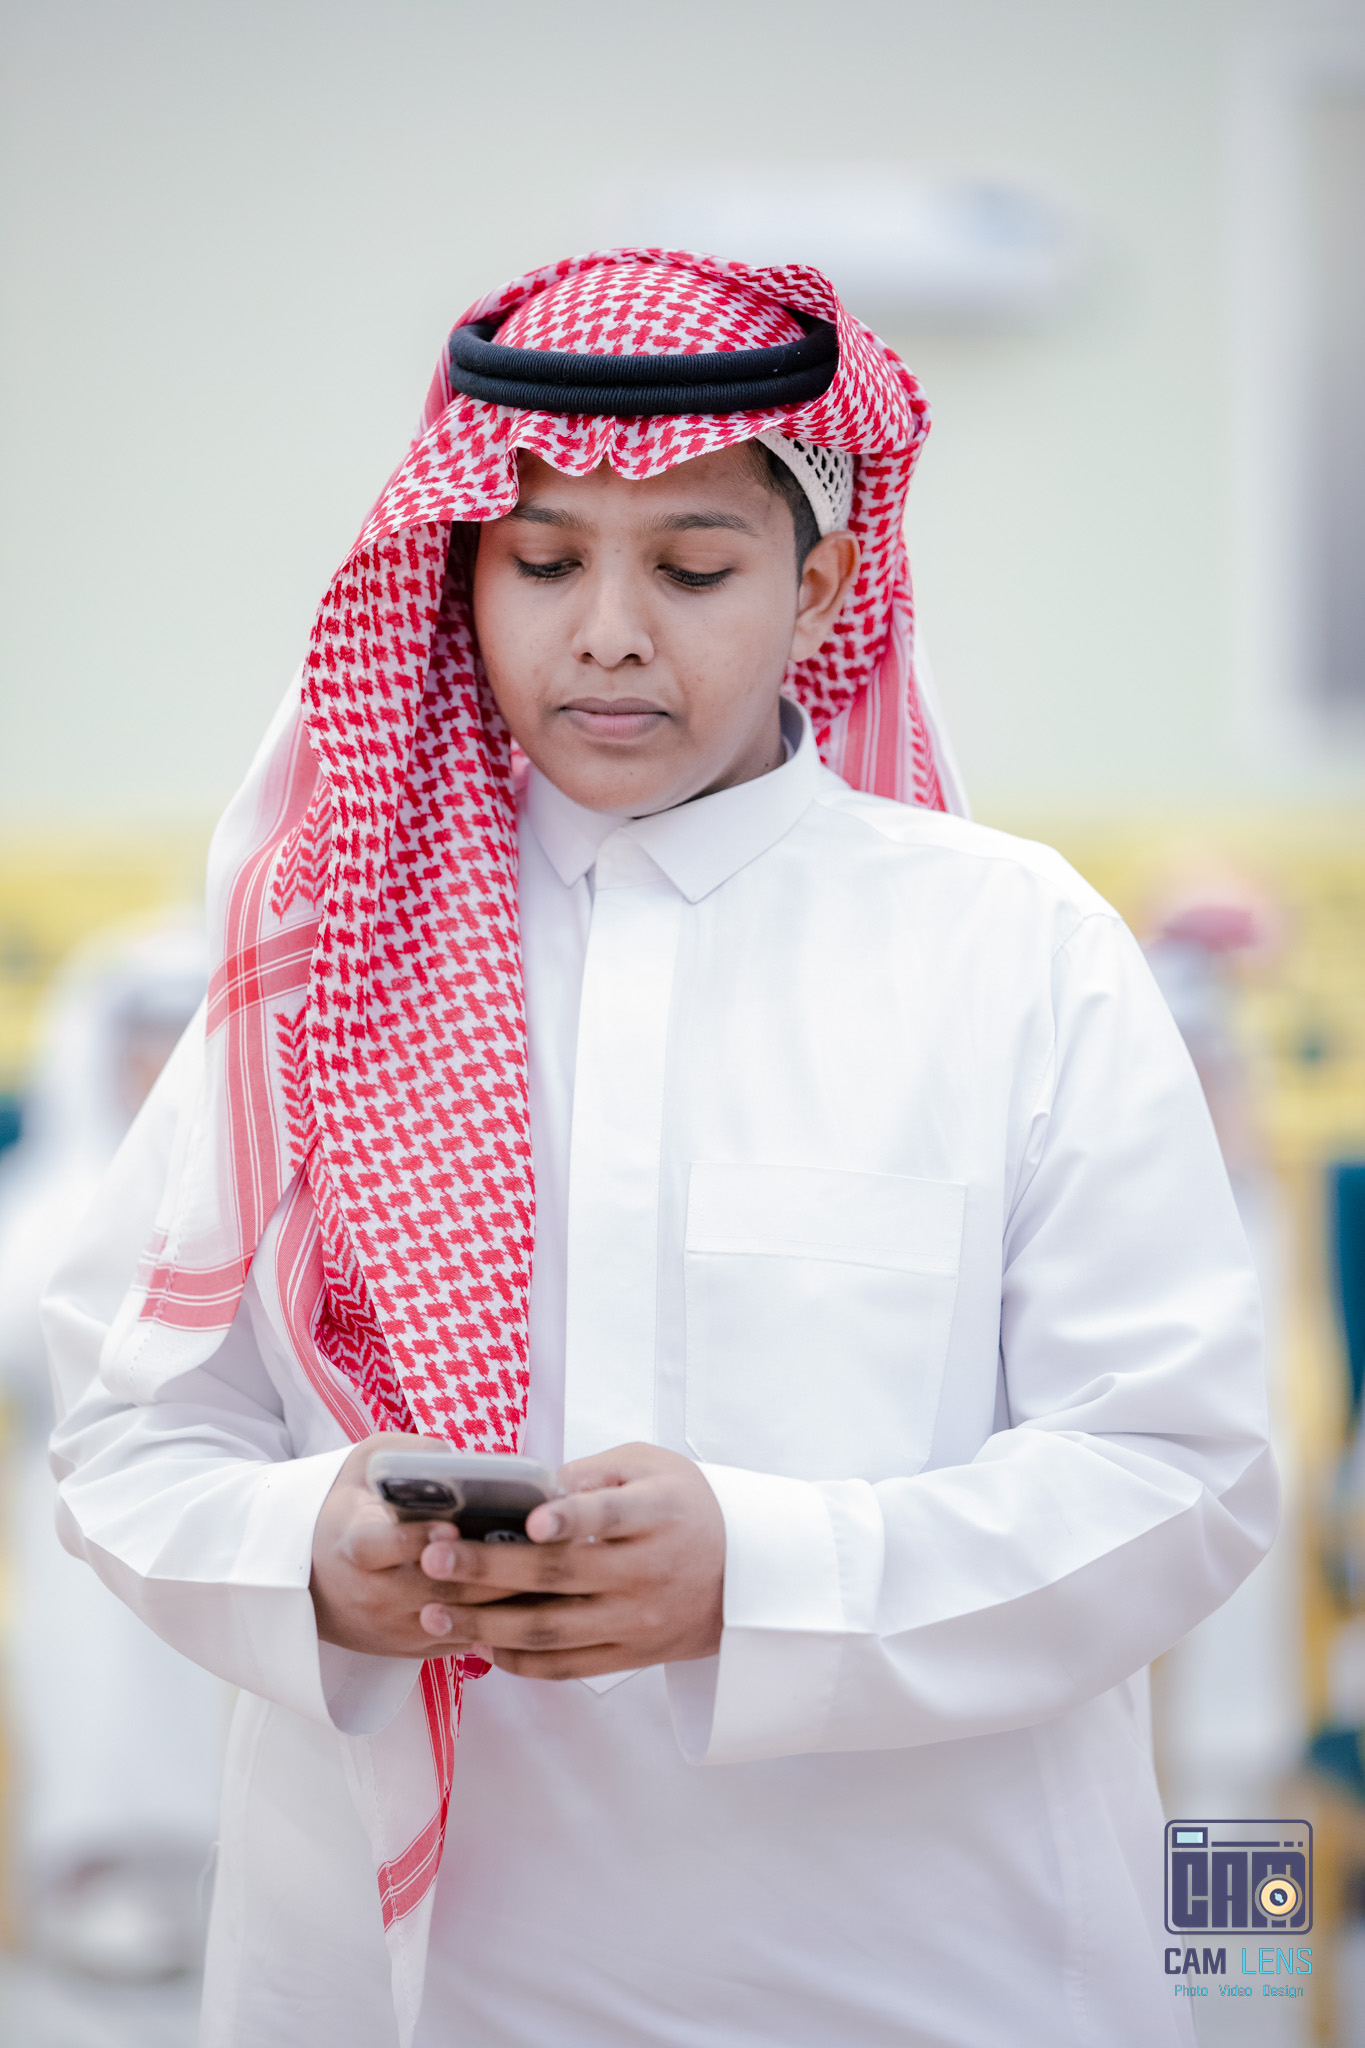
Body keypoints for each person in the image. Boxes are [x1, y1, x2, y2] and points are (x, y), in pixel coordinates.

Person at [43, 250, 1274, 2047]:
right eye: (543, 563)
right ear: (459, 571)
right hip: (398, 1993)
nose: (610, 630)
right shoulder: (323, 953)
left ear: (819, 586)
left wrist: (756, 1578)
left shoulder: (1012, 948)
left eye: (693, 568)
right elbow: (130, 1432)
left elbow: (1181, 1469)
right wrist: (306, 1550)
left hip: (928, 1983)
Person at [0, 918, 224, 1978]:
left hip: (227, 1492)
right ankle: (99, 1873)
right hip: (80, 1506)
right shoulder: (50, 1202)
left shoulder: (244, 1186)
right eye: (145, 1031)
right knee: (96, 1679)